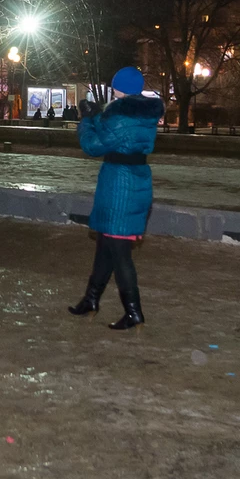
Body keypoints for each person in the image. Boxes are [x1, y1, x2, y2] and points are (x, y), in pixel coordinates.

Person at [68, 66, 164, 330]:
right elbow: (114, 132)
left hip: (120, 186)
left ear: (120, 89)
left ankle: (134, 312)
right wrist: (98, 115)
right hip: (135, 180)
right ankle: (91, 299)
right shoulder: (140, 113)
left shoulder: (122, 114)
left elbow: (93, 145)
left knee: (119, 252)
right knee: (106, 246)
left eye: (114, 87)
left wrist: (87, 121)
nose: (112, 90)